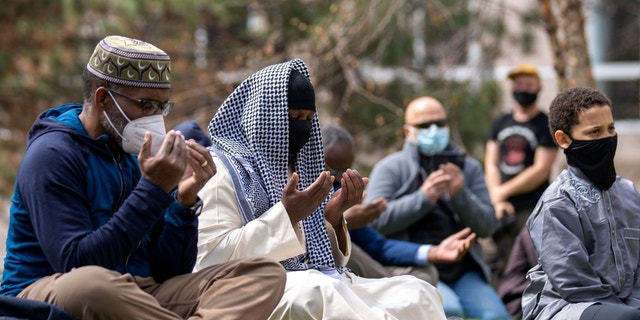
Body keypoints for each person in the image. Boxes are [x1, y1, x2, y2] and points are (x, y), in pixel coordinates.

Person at [0, 35, 286, 320]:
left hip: (136, 296)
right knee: (91, 286)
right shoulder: (53, 154)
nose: (157, 118)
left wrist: (183, 202)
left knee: (263, 273)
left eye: (163, 107)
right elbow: (75, 261)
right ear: (102, 99)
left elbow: (169, 272)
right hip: (48, 289)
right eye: (146, 105)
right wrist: (152, 189)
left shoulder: (136, 151)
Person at [196, 58, 447, 320]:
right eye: (293, 117)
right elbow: (211, 258)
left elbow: (323, 258)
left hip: (316, 279)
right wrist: (287, 215)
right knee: (319, 292)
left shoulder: (297, 166)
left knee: (415, 291)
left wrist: (333, 218)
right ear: (263, 117)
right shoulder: (221, 170)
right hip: (254, 290)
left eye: (308, 118)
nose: (302, 128)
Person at [365, 96, 510, 320]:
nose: (433, 130)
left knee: (496, 316)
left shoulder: (468, 168)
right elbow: (373, 223)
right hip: (414, 267)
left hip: (463, 270)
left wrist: (460, 194)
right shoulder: (390, 168)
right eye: (424, 125)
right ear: (407, 131)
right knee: (449, 311)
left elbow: (487, 226)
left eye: (440, 124)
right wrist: (423, 198)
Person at [522, 87, 640, 320]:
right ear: (563, 139)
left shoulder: (629, 192)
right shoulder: (556, 204)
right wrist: (629, 311)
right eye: (594, 132)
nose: (607, 138)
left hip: (627, 307)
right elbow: (574, 284)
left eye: (611, 129)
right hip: (565, 306)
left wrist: (634, 304)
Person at [322, 123, 476, 284]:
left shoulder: (346, 191)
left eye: (348, 170)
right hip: (333, 274)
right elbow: (309, 247)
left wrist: (434, 252)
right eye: (334, 173)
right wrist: (340, 223)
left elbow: (378, 246)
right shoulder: (390, 168)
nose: (342, 179)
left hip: (459, 273)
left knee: (426, 275)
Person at [483, 64, 558, 288]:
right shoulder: (500, 121)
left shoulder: (546, 124)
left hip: (532, 207)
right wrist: (498, 199)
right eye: (518, 83)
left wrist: (499, 193)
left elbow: (540, 170)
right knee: (497, 259)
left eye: (528, 84)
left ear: (539, 87)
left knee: (532, 262)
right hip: (500, 206)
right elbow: (491, 162)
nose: (523, 88)